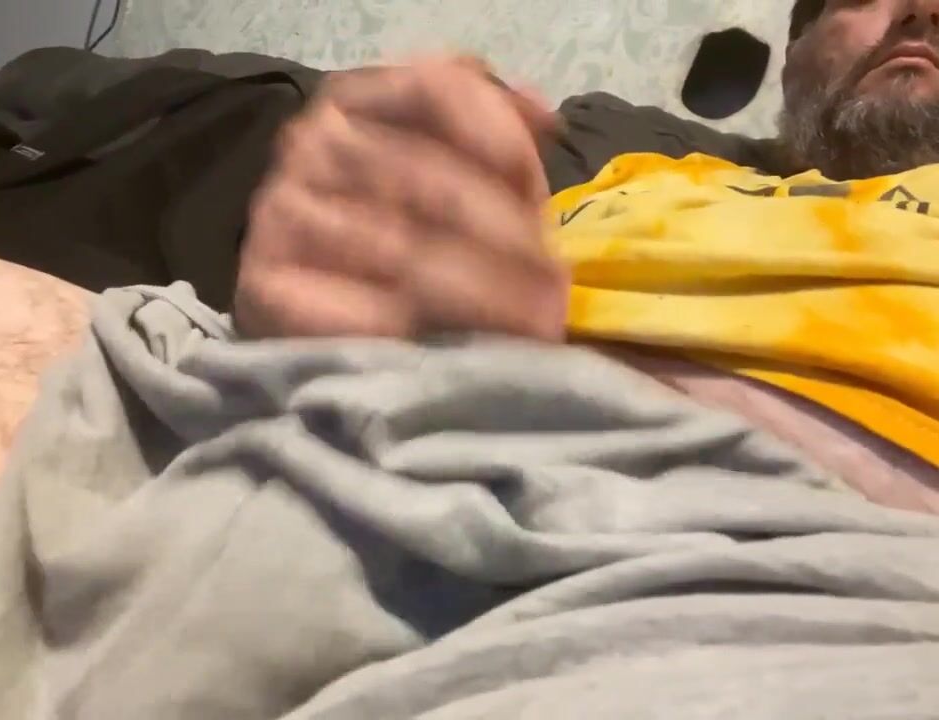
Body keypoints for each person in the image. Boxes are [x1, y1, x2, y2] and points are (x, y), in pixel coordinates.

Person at [233, 0, 939, 514]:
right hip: (330, 443)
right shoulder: (637, 167)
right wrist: (351, 237)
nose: (920, 9)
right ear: (795, 55)